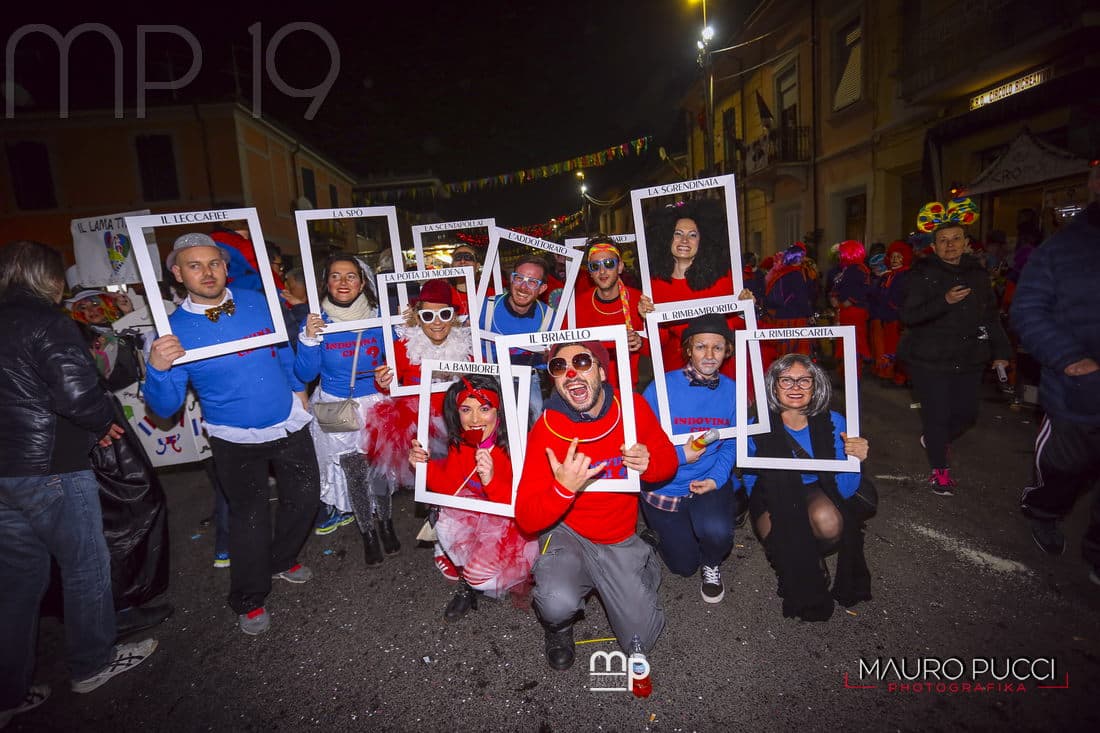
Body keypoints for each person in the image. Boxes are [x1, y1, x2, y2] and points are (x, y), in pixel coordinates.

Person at [1, 241, 157, 727]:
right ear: (52, 280)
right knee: (85, 566)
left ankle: (8, 692)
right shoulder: (49, 321)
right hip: (51, 465)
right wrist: (99, 421)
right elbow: (76, 390)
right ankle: (92, 663)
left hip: (4, 471)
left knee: (16, 583)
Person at [144, 233, 321, 635]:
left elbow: (284, 355)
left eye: (214, 263)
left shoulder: (259, 301)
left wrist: (298, 390)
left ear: (226, 267)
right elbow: (167, 406)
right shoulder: (171, 330)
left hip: (287, 423)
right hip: (233, 437)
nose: (207, 272)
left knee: (307, 498)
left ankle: (280, 559)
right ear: (177, 273)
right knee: (250, 519)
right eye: (194, 265)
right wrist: (156, 367)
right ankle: (248, 596)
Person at [515, 341, 678, 671]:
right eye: (559, 368)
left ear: (602, 371)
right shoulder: (545, 428)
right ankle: (558, 628)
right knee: (555, 602)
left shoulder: (630, 407)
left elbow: (668, 462)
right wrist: (562, 489)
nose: (571, 373)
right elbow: (526, 518)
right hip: (568, 534)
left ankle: (640, 558)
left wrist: (650, 462)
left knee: (641, 640)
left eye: (581, 362)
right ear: (554, 380)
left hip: (616, 537)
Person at [1013, 165, 1100, 581]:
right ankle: (1044, 510)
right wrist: (1071, 360)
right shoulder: (1060, 250)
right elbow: (1027, 310)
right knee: (1066, 467)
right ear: (1093, 183)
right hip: (1080, 393)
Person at [743, 354, 872, 621]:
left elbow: (844, 491)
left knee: (827, 521)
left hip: (817, 487)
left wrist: (856, 461)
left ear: (816, 386)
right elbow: (749, 475)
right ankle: (801, 565)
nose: (795, 387)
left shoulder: (835, 422)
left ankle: (810, 555)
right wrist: (755, 503)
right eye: (786, 380)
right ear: (773, 386)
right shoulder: (757, 424)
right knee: (779, 535)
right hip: (773, 489)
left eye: (804, 380)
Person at [899, 201, 1010, 495]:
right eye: (943, 241)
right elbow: (909, 316)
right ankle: (940, 470)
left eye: (956, 239)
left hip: (969, 357)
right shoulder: (920, 274)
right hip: (929, 359)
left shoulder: (978, 274)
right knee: (936, 415)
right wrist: (943, 301)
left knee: (966, 414)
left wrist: (1001, 353)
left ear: (966, 243)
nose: (950, 246)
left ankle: (935, 438)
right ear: (933, 247)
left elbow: (990, 316)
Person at [408, 376, 536, 621]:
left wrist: (491, 480)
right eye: (466, 410)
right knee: (443, 515)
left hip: (513, 524)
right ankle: (455, 563)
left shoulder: (518, 446)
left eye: (484, 409)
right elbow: (450, 490)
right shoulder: (461, 443)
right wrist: (422, 465)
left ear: (500, 412)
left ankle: (475, 576)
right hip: (475, 514)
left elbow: (524, 506)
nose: (475, 419)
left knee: (481, 579)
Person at [295, 255, 394, 565]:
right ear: (327, 282)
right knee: (353, 471)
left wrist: (389, 373)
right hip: (336, 405)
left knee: (379, 469)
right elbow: (305, 375)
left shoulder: (380, 317)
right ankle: (367, 532)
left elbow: (397, 361)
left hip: (376, 404)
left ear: (362, 282)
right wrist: (310, 339)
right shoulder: (316, 321)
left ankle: (387, 523)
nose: (343, 282)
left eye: (350, 276)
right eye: (335, 275)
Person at [641, 314, 739, 603]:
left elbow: (732, 443)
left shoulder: (733, 390)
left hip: (706, 481)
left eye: (717, 348)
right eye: (701, 347)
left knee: (717, 533)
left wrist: (716, 479)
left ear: (727, 351)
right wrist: (680, 455)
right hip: (665, 486)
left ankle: (712, 562)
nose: (709, 355)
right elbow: (641, 445)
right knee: (683, 566)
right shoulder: (660, 387)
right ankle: (661, 531)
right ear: (687, 349)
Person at [479, 255, 556, 420]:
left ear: (542, 289)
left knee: (536, 420)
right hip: (489, 380)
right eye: (519, 278)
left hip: (531, 381)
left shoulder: (550, 317)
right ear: (511, 280)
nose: (523, 287)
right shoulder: (485, 307)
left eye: (532, 282)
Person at [569, 236, 648, 388]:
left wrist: (641, 342)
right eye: (595, 266)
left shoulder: (639, 300)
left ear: (620, 267)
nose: (602, 271)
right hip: (590, 387)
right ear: (590, 272)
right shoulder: (577, 305)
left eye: (609, 263)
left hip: (629, 387)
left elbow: (660, 347)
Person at [830, 240, 872, 373]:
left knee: (854, 344)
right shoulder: (846, 269)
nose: (839, 255)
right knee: (844, 344)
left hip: (855, 311)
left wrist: (851, 301)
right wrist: (833, 296)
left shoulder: (860, 269)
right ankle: (845, 374)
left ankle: (854, 376)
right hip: (845, 310)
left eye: (841, 252)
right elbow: (837, 287)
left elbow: (865, 289)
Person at [874, 241, 912, 385]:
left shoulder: (906, 274)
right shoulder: (888, 275)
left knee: (896, 348)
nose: (895, 259)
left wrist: (894, 306)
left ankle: (899, 377)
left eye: (899, 256)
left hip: (897, 317)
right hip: (886, 316)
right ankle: (888, 373)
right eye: (893, 256)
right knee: (888, 347)